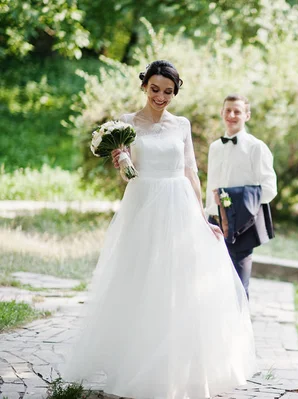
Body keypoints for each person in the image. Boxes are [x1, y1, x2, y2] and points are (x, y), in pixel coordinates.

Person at [61, 60, 255, 399]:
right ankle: (136, 364)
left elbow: (191, 173)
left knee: (179, 286)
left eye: (168, 91)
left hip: (179, 207)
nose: (161, 96)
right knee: (140, 281)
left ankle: (177, 368)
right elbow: (127, 177)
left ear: (175, 92)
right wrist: (122, 159)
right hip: (143, 205)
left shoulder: (181, 125)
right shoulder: (125, 124)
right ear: (144, 87)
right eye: (155, 89)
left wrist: (202, 217)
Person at [205, 94, 277, 299]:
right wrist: (206, 214)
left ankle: (241, 330)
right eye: (228, 110)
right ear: (221, 113)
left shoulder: (257, 148)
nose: (232, 115)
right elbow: (212, 186)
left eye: (237, 111)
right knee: (214, 285)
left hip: (243, 226)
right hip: (214, 224)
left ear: (247, 115)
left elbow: (270, 189)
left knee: (238, 287)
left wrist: (232, 199)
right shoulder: (215, 147)